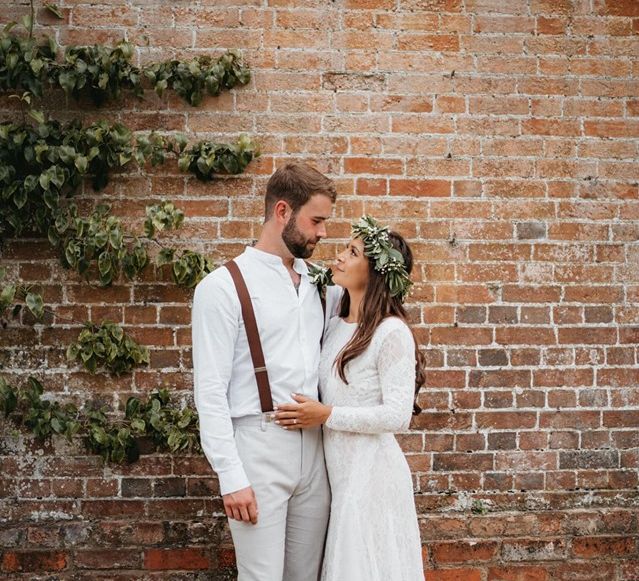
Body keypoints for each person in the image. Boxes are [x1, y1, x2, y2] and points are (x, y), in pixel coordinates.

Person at [191, 163, 340, 581]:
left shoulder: (321, 284)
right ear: (282, 212)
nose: (323, 233)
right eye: (316, 221)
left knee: (305, 576)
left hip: (314, 452)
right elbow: (210, 392)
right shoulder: (221, 287)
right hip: (258, 446)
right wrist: (230, 475)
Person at [274, 215, 426, 581]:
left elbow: (397, 416)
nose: (340, 256)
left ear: (374, 272)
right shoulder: (335, 324)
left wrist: (326, 415)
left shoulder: (391, 333)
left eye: (353, 252)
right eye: (345, 248)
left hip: (373, 476)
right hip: (337, 477)